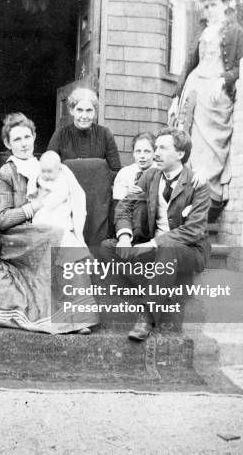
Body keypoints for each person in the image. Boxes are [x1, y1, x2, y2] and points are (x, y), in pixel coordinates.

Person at [0, 113, 98, 334]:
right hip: (17, 236)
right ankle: (67, 319)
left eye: (27, 137)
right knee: (58, 235)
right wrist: (34, 207)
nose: (24, 143)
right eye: (17, 139)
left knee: (66, 238)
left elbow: (74, 197)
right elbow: (3, 220)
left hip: (46, 230)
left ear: (34, 137)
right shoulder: (4, 174)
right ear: (7, 143)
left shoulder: (50, 165)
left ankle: (78, 317)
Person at [99, 128, 211, 341]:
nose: (156, 153)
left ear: (180, 154)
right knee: (107, 248)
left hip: (188, 251)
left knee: (168, 249)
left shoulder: (198, 185)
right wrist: (124, 237)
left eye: (162, 148)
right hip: (154, 248)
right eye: (156, 147)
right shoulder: (150, 176)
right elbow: (125, 207)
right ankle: (160, 292)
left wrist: (152, 244)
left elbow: (193, 230)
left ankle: (147, 318)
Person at [169, 0, 243, 221]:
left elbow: (241, 66)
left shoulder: (237, 32)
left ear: (226, 5)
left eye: (213, 5)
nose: (209, 10)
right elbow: (188, 65)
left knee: (209, 145)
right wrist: (176, 96)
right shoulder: (201, 31)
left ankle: (206, 200)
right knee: (187, 139)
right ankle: (184, 197)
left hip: (215, 95)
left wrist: (224, 79)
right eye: (206, 6)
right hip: (194, 88)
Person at [47, 87, 121, 171]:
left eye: (89, 110)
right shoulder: (60, 134)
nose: (84, 116)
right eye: (79, 110)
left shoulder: (104, 134)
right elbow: (49, 168)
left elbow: (115, 169)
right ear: (72, 110)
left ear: (95, 112)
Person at [30, 151, 86, 246]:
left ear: (59, 169)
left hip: (59, 218)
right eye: (43, 171)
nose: (46, 175)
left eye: (49, 171)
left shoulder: (64, 180)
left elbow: (70, 195)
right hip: (43, 216)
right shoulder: (40, 179)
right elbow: (32, 192)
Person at [112, 132, 156, 202]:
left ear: (154, 153)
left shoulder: (159, 172)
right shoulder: (125, 172)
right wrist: (127, 194)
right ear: (133, 153)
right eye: (138, 151)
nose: (142, 156)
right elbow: (117, 197)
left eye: (147, 151)